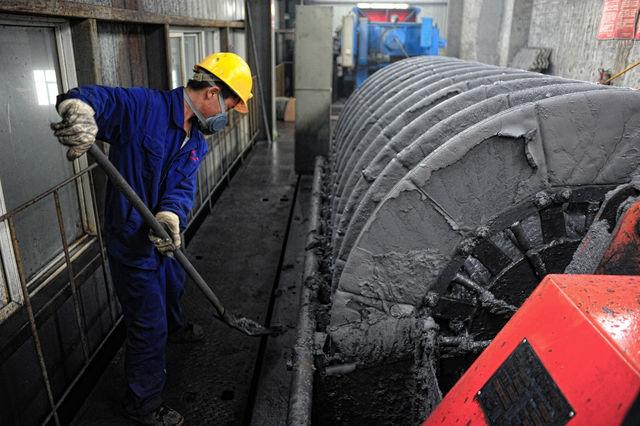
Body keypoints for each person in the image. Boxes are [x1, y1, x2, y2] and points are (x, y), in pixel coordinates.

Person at [50, 52, 253, 425]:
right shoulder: (144, 108)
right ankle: (141, 405)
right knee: (147, 324)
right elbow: (98, 98)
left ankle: (175, 329)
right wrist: (77, 109)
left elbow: (181, 186)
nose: (226, 116)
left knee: (174, 285)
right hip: (132, 242)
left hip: (163, 236)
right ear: (211, 93)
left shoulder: (196, 142)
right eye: (229, 104)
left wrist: (171, 216)